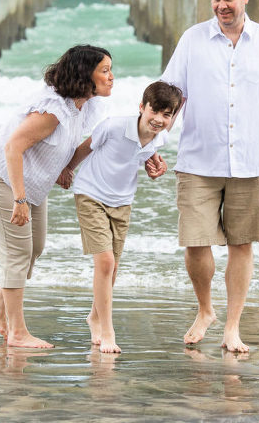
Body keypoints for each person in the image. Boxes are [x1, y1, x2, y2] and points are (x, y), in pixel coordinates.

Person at [160, 0, 259, 353]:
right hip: (198, 160)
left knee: (243, 244)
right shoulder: (192, 40)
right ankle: (205, 309)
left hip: (253, 160)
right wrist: (152, 143)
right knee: (195, 241)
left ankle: (232, 327)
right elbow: (173, 98)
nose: (221, 6)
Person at [0, 45, 114, 348]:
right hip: (2, 172)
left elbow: (66, 142)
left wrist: (66, 167)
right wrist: (19, 200)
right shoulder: (52, 111)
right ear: (84, 75)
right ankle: (17, 333)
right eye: (104, 70)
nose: (111, 77)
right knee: (18, 251)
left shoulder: (84, 104)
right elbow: (13, 148)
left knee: (35, 247)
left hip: (32, 176)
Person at [57, 81, 182, 353]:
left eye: (167, 115)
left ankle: (94, 317)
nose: (159, 119)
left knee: (111, 269)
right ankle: (107, 331)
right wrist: (67, 169)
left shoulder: (160, 137)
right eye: (155, 111)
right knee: (104, 261)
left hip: (122, 202)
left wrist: (154, 166)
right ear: (142, 107)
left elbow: (143, 156)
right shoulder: (114, 126)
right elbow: (86, 147)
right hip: (91, 193)